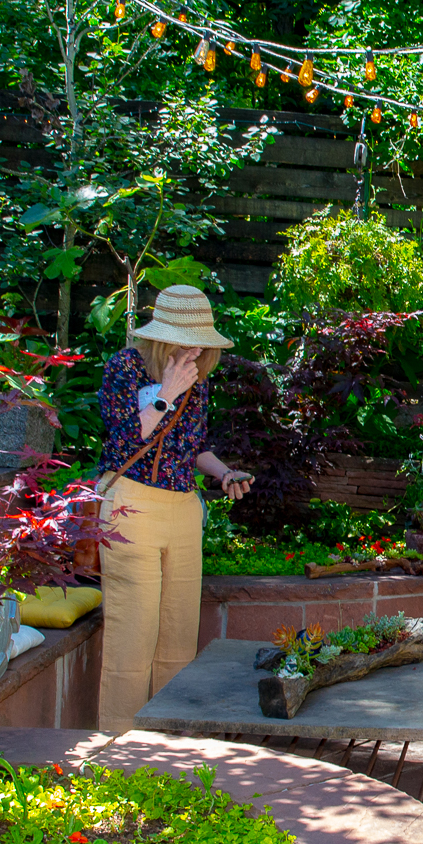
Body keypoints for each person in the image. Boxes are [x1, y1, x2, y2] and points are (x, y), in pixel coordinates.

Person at [95, 285, 255, 733]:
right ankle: (118, 744)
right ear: (163, 337)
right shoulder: (124, 368)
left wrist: (224, 473)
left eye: (201, 340)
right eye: (188, 339)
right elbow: (123, 440)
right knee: (134, 631)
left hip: (183, 508)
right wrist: (166, 391)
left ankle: (170, 742)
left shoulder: (199, 382)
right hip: (133, 505)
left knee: (178, 634)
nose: (197, 349)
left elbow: (193, 447)